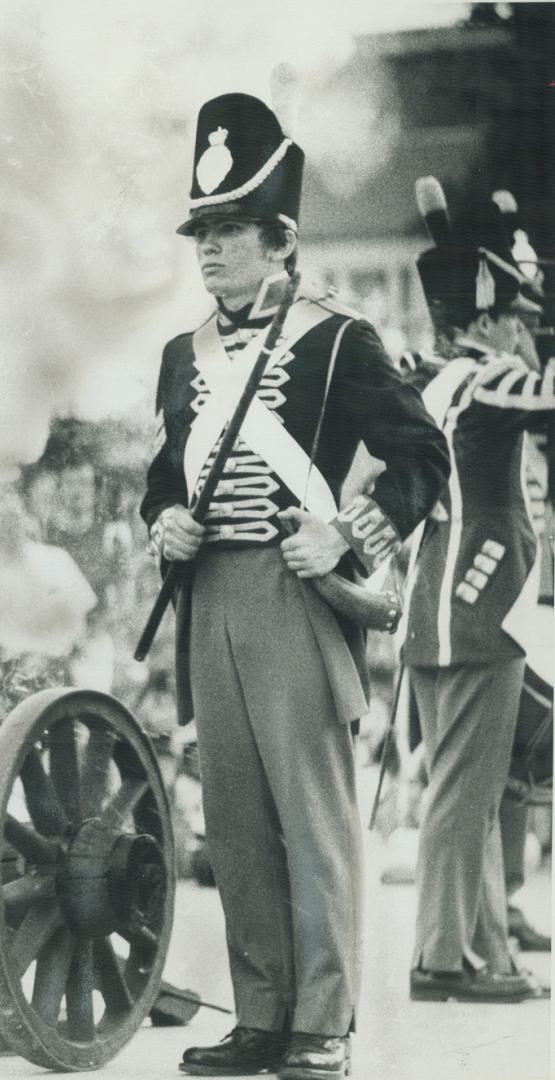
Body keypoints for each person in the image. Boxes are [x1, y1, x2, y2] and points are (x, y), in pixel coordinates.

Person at [142, 94, 447, 1080]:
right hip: (210, 602)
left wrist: (344, 531)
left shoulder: (336, 338)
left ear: (280, 239)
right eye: (203, 232)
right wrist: (164, 519)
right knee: (234, 818)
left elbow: (419, 454)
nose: (210, 250)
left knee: (311, 821)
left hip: (292, 591)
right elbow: (164, 471)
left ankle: (324, 1022)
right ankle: (262, 1015)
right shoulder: (178, 359)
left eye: (228, 230)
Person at [398, 180, 553, 1003]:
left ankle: (482, 955)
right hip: (480, 613)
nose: (526, 334)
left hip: (438, 609)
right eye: (519, 319)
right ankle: (438, 959)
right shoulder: (483, 378)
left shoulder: (434, 376)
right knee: (465, 798)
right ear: (487, 320)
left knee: (473, 791)